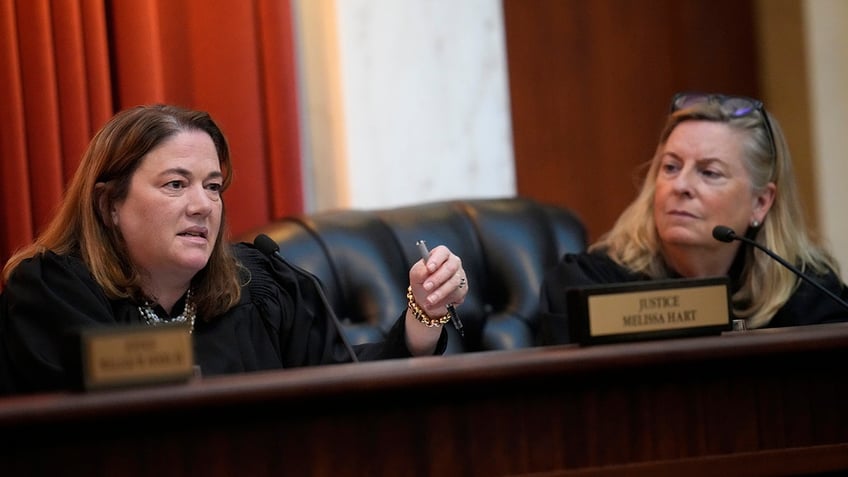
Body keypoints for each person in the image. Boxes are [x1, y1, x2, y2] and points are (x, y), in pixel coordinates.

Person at [0, 104, 468, 394]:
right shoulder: (51, 293)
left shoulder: (260, 285)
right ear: (109, 205)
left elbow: (338, 385)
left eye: (214, 186)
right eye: (176, 184)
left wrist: (422, 318)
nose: (202, 205)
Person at [538, 92, 848, 345]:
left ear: (761, 202)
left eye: (709, 172)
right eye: (671, 167)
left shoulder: (807, 292)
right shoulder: (590, 285)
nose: (681, 186)